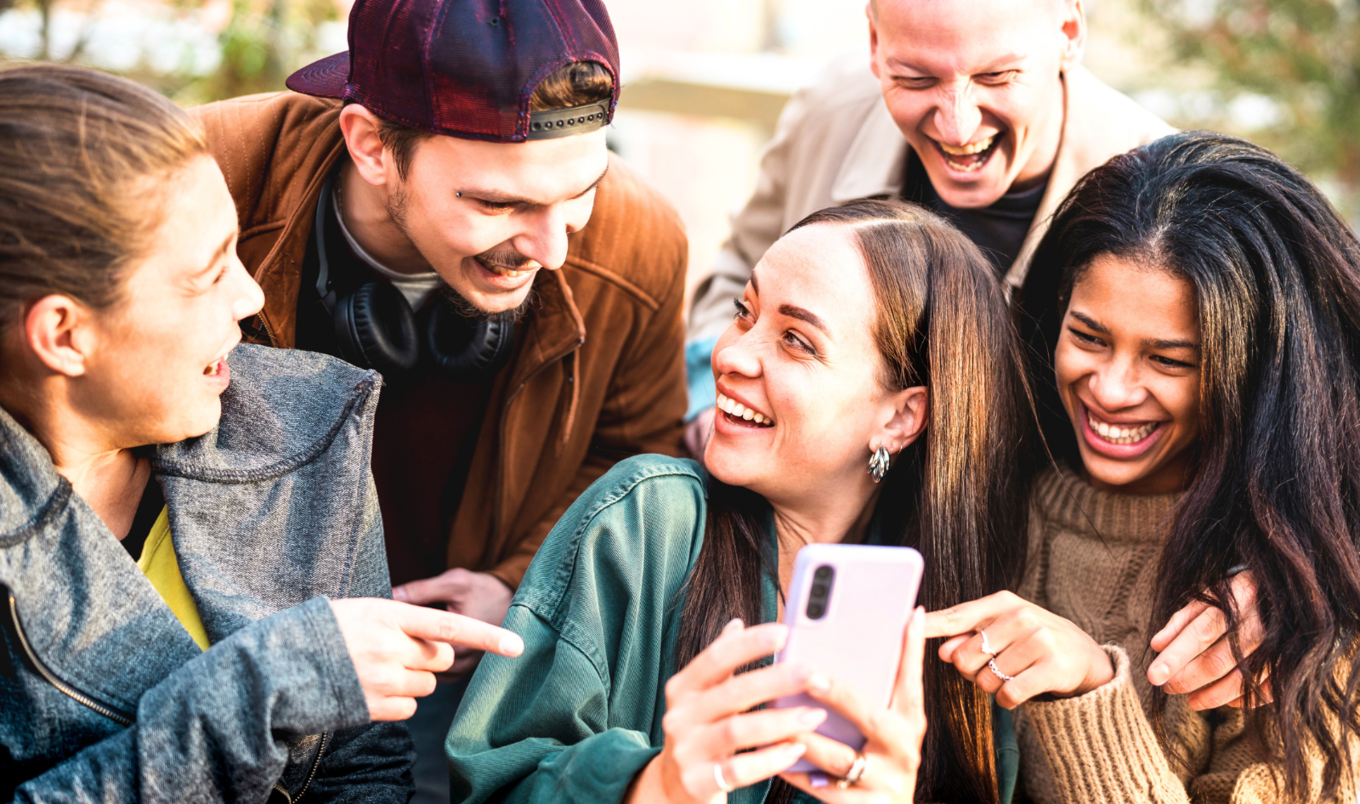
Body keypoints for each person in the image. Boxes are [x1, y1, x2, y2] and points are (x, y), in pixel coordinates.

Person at [0, 63, 523, 801]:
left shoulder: (312, 428)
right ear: (63, 333)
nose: (249, 299)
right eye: (209, 273)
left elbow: (365, 769)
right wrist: (262, 689)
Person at [447, 199, 1036, 804]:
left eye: (796, 341)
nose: (729, 355)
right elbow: (493, 785)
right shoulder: (647, 523)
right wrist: (657, 786)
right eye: (744, 312)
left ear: (901, 416)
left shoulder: (961, 633)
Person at [191, 0, 686, 638]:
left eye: (582, 191)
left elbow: (629, 463)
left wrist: (523, 582)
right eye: (499, 202)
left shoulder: (639, 240)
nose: (554, 250)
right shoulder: (197, 185)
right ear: (371, 146)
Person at [929, 131, 1360, 802]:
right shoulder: (975, 482)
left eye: (1169, 360)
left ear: (1255, 377)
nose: (1110, 388)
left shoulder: (1296, 612)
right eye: (1088, 337)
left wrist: (1088, 691)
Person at [682, 0, 1173, 454]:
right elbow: (738, 273)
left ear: (1069, 31)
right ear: (874, 42)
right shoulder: (827, 110)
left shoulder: (1174, 197)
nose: (957, 127)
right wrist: (712, 401)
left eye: (997, 75)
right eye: (915, 79)